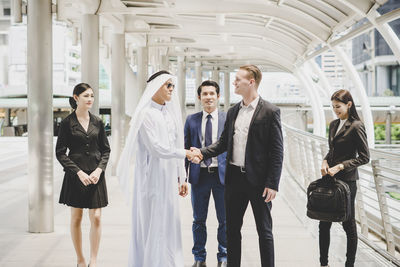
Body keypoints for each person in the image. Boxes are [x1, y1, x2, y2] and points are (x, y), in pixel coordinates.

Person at [190, 65, 284, 267]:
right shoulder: (233, 111)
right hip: (234, 180)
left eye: (238, 79)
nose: (234, 82)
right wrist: (201, 152)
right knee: (231, 230)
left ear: (251, 82)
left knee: (264, 231)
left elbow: (277, 152)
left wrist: (273, 183)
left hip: (259, 182)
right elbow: (223, 143)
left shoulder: (270, 111)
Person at [117, 70, 200, 267]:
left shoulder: (169, 115)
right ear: (156, 87)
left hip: (168, 179)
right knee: (153, 223)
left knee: (168, 223)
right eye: (168, 85)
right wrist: (186, 154)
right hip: (151, 179)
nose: (172, 89)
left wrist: (182, 178)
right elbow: (157, 148)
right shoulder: (145, 115)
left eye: (173, 86)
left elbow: (175, 143)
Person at [56, 83, 111, 267]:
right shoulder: (66, 123)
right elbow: (60, 152)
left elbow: (106, 150)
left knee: (96, 217)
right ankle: (80, 259)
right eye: (86, 96)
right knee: (76, 217)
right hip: (76, 175)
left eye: (92, 96)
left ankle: (93, 260)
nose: (90, 99)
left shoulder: (98, 122)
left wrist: (99, 170)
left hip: (96, 174)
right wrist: (78, 172)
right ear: (76, 97)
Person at [319, 89, 370, 267]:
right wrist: (325, 160)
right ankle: (323, 263)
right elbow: (333, 150)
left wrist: (341, 166)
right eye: (333, 107)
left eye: (338, 106)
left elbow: (364, 157)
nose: (335, 110)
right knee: (323, 222)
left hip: (347, 182)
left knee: (348, 224)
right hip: (330, 179)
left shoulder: (356, 126)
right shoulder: (333, 124)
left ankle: (350, 264)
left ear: (349, 104)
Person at [184, 80, 227, 267]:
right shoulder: (191, 120)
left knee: (224, 220)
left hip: (222, 176)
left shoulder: (228, 119)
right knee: (198, 219)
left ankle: (223, 257)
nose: (208, 97)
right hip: (199, 176)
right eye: (205, 94)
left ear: (218, 96)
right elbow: (185, 150)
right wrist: (183, 178)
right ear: (199, 97)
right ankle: (199, 258)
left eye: (212, 93)